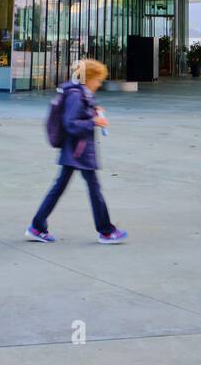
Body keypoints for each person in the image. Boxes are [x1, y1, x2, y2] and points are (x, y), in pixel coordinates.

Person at [26, 58, 127, 245]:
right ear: (89, 78)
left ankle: (37, 226)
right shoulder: (76, 94)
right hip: (78, 150)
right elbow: (70, 123)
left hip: (76, 150)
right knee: (92, 189)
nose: (99, 84)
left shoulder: (80, 92)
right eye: (98, 80)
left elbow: (78, 113)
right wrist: (94, 121)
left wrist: (94, 111)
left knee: (62, 188)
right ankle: (105, 231)